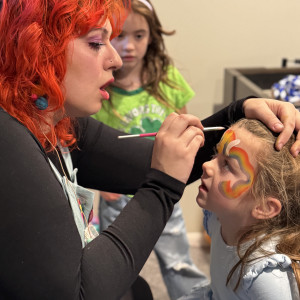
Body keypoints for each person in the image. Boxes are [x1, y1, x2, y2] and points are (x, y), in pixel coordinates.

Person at [0, 0, 300, 299]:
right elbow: (81, 292)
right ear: (37, 48)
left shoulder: (56, 120)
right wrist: (162, 186)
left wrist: (240, 111)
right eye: (95, 43)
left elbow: (142, 164)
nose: (116, 59)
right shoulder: (9, 147)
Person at [92, 0, 207, 298]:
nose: (128, 45)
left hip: (167, 191)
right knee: (117, 268)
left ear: (152, 36)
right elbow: (89, 145)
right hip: (117, 199)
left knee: (178, 263)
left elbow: (187, 123)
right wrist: (103, 187)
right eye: (119, 34)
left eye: (139, 35)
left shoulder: (167, 77)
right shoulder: (97, 86)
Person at [179, 119, 300, 300]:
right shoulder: (218, 219)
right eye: (216, 154)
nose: (207, 165)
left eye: (227, 164)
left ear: (265, 207)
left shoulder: (266, 279)